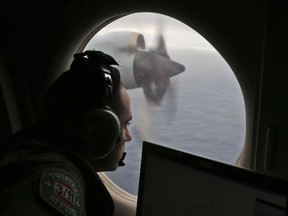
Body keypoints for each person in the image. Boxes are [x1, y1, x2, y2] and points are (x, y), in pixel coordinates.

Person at [0, 50, 133, 216]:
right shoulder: (56, 182)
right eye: (125, 124)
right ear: (98, 131)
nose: (128, 136)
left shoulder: (37, 156)